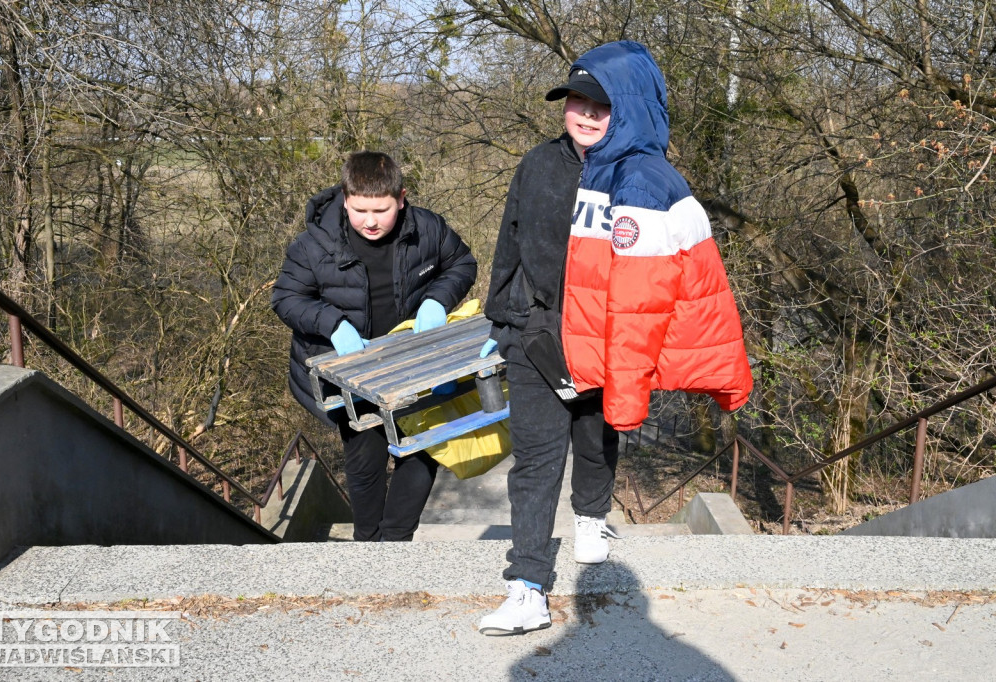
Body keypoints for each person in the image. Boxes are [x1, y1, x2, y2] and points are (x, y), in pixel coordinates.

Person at [477, 41, 752, 635]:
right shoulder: (537, 165)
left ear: (626, 111)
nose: (583, 113)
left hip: (607, 339)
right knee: (535, 459)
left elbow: (684, 281)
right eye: (576, 99)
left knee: (597, 436)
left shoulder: (647, 179)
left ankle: (591, 514)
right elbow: (510, 246)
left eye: (599, 105)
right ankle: (526, 586)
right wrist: (501, 322)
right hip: (540, 335)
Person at [272, 151, 477, 542]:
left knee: (422, 449)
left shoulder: (428, 229)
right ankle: (367, 545)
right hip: (350, 373)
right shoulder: (313, 245)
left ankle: (395, 543)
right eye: (359, 209)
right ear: (345, 199)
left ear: (401, 197)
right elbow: (286, 298)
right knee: (365, 455)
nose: (369, 221)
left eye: (381, 210)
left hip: (413, 367)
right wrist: (333, 326)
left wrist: (436, 301)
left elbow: (462, 264)